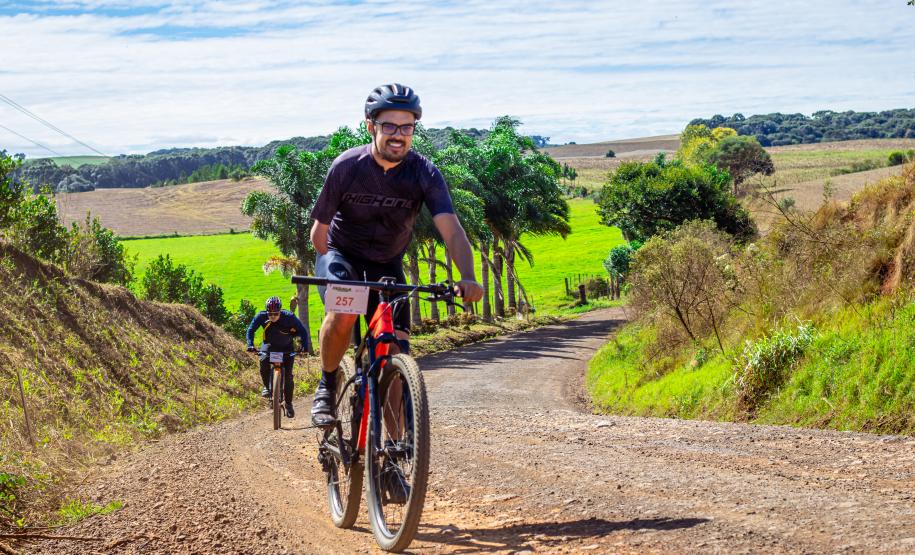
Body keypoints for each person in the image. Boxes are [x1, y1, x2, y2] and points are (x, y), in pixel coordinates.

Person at [309, 83, 484, 427]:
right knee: (345, 311)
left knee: (395, 351)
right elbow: (319, 235)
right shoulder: (347, 166)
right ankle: (327, 386)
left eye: (407, 127)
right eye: (389, 126)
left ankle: (399, 457)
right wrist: (340, 279)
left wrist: (468, 277)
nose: (398, 135)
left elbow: (451, 230)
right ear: (370, 126)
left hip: (387, 267)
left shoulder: (424, 172)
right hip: (341, 256)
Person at [246, 296, 310, 418]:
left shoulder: (289, 317)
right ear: (266, 312)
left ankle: (289, 404)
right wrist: (250, 345)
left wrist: (304, 347)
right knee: (263, 361)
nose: (273, 317)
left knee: (289, 377)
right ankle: (267, 387)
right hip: (269, 346)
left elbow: (302, 330)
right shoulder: (261, 316)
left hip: (287, 348)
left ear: (280, 311)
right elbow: (250, 330)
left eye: (276, 314)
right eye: (270, 314)